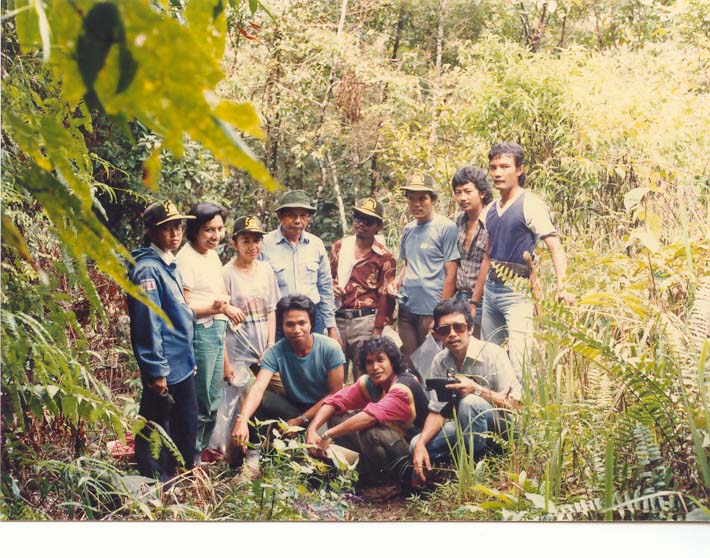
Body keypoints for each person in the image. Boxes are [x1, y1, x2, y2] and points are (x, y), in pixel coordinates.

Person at [481, 142, 573, 384]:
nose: (497, 173)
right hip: (491, 292)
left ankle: (527, 413)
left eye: (504, 166)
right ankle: (499, 416)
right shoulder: (490, 209)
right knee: (492, 359)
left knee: (520, 362)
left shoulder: (529, 205)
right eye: (493, 167)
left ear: (519, 170)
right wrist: (475, 297)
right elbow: (488, 255)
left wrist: (564, 286)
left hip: (517, 294)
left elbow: (555, 246)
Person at [231, 294, 345, 477]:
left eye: (302, 323)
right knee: (262, 399)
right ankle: (252, 461)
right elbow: (258, 387)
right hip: (294, 408)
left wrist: (301, 421)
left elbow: (335, 393)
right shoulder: (276, 352)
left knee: (322, 463)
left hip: (325, 411)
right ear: (282, 326)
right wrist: (242, 420)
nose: (296, 329)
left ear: (311, 323)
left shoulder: (330, 348)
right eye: (290, 324)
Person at [410, 299, 522, 484]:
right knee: (415, 445)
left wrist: (476, 390)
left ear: (470, 329)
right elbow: (437, 411)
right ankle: (448, 471)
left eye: (458, 327)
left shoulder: (493, 354)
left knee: (469, 403)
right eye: (445, 330)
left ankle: (475, 474)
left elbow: (516, 404)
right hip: (465, 427)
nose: (452, 334)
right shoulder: (440, 361)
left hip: (502, 429)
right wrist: (421, 443)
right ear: (438, 334)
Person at [127, 200, 198, 482]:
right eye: (166, 228)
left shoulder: (169, 263)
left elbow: (180, 316)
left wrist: (190, 359)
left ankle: (179, 476)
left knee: (185, 422)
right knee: (156, 425)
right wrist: (156, 370)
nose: (175, 233)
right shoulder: (147, 269)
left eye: (177, 226)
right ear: (150, 232)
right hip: (165, 364)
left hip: (182, 361)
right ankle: (153, 482)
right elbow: (148, 322)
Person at [306, 337, 429, 487]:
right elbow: (335, 401)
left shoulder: (403, 387)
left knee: (371, 431)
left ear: (392, 361)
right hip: (392, 440)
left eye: (380, 360)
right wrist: (312, 430)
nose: (375, 367)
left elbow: (370, 416)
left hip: (415, 452)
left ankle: (389, 484)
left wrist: (328, 434)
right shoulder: (370, 383)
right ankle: (364, 474)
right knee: (337, 417)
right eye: (369, 362)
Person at [176, 201, 244, 464]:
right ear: (194, 230)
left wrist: (221, 309)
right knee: (201, 399)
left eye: (219, 229)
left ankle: (200, 454)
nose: (216, 236)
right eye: (208, 230)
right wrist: (219, 308)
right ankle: (189, 458)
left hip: (216, 332)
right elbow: (185, 307)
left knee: (213, 397)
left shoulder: (212, 255)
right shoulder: (186, 258)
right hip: (199, 334)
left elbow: (215, 300)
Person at [222, 215, 280, 468]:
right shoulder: (226, 273)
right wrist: (225, 362)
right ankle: (232, 458)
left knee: (262, 401)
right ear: (235, 243)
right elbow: (219, 321)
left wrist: (270, 344)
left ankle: (258, 454)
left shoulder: (266, 270)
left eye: (257, 240)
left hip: (262, 349)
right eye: (246, 241)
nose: (252, 246)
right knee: (237, 404)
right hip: (237, 349)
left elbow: (271, 310)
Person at [387, 173, 460, 368]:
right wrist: (396, 282)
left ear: (432, 200)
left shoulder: (446, 228)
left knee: (431, 365)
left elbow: (451, 272)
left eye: (422, 199)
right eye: (411, 198)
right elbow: (408, 264)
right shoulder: (408, 230)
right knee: (410, 364)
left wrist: (441, 315)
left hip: (431, 309)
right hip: (407, 308)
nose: (416, 204)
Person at [261, 190, 340, 344]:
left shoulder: (316, 244)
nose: (298, 221)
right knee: (280, 364)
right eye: (292, 215)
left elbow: (325, 287)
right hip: (278, 318)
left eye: (303, 216)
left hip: (312, 317)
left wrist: (331, 327)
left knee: (312, 362)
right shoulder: (264, 244)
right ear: (280, 217)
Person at [329, 198, 396, 380]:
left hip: (364, 319)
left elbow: (386, 295)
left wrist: (377, 329)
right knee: (334, 373)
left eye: (368, 221)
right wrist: (333, 288)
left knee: (364, 375)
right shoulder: (340, 247)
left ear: (378, 226)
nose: (361, 224)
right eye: (358, 218)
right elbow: (327, 278)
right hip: (338, 317)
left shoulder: (384, 257)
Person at [452, 166, 492, 339]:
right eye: (458, 192)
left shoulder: (492, 220)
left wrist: (474, 301)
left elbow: (489, 261)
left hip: (483, 299)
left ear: (482, 193)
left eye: (468, 191)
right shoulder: (459, 221)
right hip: (460, 296)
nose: (462, 198)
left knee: (481, 348)